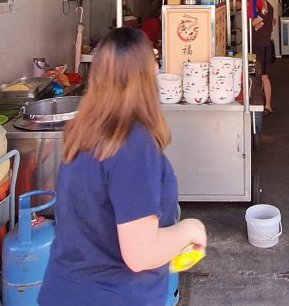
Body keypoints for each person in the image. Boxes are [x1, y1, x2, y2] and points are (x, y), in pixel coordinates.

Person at [40, 27, 207, 305]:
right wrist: (190, 229)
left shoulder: (84, 131)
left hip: (66, 289)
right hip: (114, 295)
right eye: (154, 60)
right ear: (146, 74)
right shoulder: (133, 145)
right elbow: (140, 254)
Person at [251, 0, 276, 113]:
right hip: (258, 44)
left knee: (263, 76)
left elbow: (254, 23)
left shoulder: (266, 7)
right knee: (259, 75)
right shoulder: (261, 6)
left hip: (263, 46)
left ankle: (268, 105)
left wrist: (250, 20)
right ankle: (261, 102)